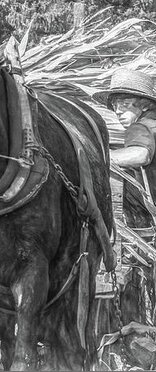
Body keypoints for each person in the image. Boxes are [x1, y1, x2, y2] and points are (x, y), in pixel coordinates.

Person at [94, 68, 156, 328]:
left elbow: (141, 154)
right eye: (114, 103)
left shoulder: (143, 126)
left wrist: (96, 158)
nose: (117, 110)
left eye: (123, 102)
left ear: (143, 104)